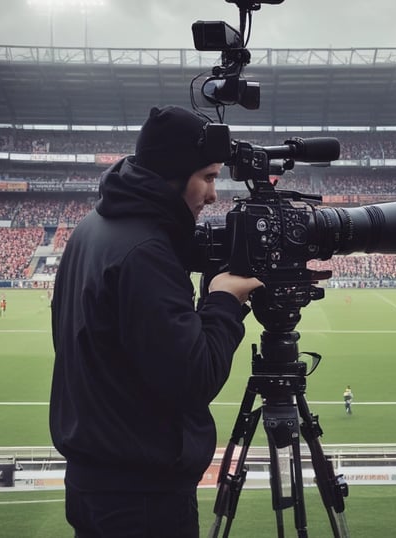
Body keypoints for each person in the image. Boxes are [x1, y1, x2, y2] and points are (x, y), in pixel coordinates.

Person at [49, 105, 263, 538]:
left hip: (96, 477)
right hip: (140, 497)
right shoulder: (145, 251)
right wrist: (223, 302)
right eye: (208, 177)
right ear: (173, 174)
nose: (213, 195)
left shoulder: (95, 226)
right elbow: (195, 375)